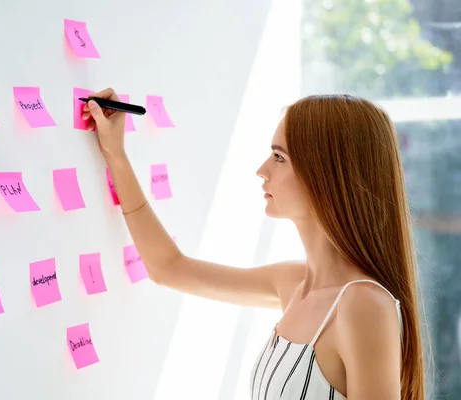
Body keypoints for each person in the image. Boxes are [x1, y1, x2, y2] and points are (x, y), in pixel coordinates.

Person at [82, 88, 426, 400]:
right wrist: (115, 154)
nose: (262, 170)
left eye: (279, 157)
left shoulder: (364, 305)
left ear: (328, 173)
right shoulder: (294, 284)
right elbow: (168, 268)